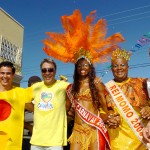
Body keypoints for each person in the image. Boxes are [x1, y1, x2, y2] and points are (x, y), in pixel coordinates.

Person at [42, 9, 125, 150]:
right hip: (77, 131)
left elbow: (105, 108)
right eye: (79, 65)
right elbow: (66, 111)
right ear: (76, 68)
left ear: (90, 67)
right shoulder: (70, 88)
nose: (82, 68)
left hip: (94, 129)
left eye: (85, 65)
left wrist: (110, 116)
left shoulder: (96, 84)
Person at [105, 48, 150, 150]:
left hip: (142, 140)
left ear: (128, 67)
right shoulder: (105, 88)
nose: (119, 68)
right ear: (111, 69)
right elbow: (101, 112)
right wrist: (108, 117)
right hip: (117, 142)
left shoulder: (142, 83)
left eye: (122, 65)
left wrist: (149, 108)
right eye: (115, 66)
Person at [30, 58, 69, 150]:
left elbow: (78, 92)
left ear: (55, 71)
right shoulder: (35, 87)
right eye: (44, 70)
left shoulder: (64, 86)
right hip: (36, 141)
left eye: (50, 70)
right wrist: (35, 109)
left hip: (55, 142)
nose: (47, 73)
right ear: (41, 71)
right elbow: (24, 100)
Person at [0, 61, 32, 150]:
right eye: (2, 73)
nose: (5, 76)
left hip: (13, 145)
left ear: (13, 75)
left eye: (8, 73)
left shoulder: (21, 93)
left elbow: (37, 109)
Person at [22, 76, 41, 150]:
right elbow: (16, 118)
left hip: (42, 138)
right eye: (33, 85)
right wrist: (29, 127)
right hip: (26, 138)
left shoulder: (43, 99)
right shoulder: (23, 98)